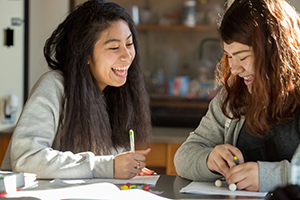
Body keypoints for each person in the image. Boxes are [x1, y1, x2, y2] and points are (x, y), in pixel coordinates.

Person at [1, 0, 154, 179]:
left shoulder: (114, 91)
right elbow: (26, 159)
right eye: (114, 47)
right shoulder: (54, 85)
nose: (127, 56)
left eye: (129, 44)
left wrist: (124, 166)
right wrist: (107, 166)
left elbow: (103, 165)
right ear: (85, 54)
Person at [174, 0, 300, 192]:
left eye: (242, 57)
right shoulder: (233, 95)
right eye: (229, 56)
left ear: (274, 52)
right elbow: (184, 157)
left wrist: (271, 176)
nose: (234, 68)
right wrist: (209, 160)